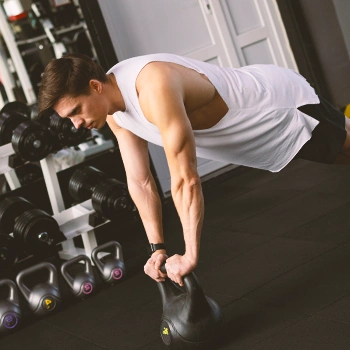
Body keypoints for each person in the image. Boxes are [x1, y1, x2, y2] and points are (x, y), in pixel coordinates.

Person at [38, 53, 350, 287]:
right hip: (250, 131)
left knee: (344, 150)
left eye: (76, 111)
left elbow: (185, 177)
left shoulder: (152, 86)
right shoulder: (115, 114)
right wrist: (157, 248)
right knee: (338, 154)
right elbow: (141, 181)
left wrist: (190, 254)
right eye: (68, 118)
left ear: (95, 87)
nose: (76, 124)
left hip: (275, 106)